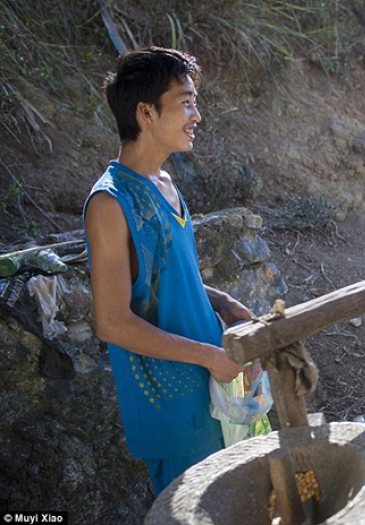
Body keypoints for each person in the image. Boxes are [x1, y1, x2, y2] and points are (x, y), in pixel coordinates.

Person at [83, 46, 254, 496]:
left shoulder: (165, 184)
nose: (196, 115)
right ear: (145, 112)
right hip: (170, 408)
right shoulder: (110, 203)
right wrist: (209, 356)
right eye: (186, 102)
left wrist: (222, 302)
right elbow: (113, 321)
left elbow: (168, 279)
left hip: (208, 388)